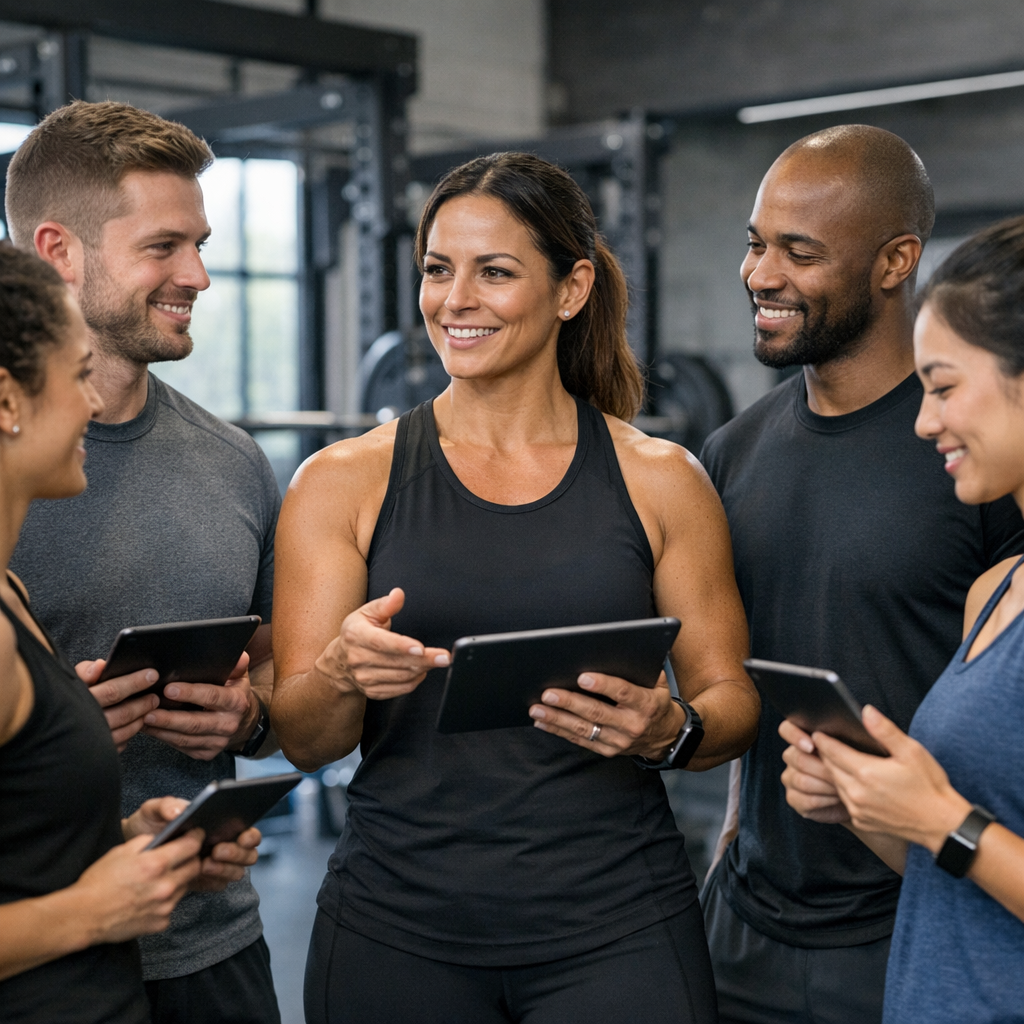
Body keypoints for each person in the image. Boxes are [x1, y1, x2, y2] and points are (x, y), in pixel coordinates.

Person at [271, 151, 759, 1024]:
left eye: (494, 272)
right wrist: (340, 675)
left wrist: (670, 728)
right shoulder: (340, 482)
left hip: (618, 925)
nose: (455, 300)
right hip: (399, 928)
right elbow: (304, 740)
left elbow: (731, 702)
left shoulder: (661, 479)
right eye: (436, 269)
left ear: (571, 289)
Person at [698, 125, 1024, 1024]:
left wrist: (934, 830)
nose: (760, 273)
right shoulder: (731, 452)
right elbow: (758, 661)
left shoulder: (980, 466)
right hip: (745, 919)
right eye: (756, 243)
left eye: (799, 251)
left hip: (914, 919)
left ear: (896, 261)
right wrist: (734, 831)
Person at [6, 102, 282, 1024]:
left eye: (200, 244)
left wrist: (249, 717)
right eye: (165, 246)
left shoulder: (235, 463)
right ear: (59, 250)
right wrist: (69, 732)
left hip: (209, 941)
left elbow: (276, 672)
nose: (199, 275)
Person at [780, 215, 1024, 1023]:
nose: (924, 422)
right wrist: (869, 802)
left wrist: (942, 819)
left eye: (946, 386)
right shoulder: (995, 590)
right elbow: (945, 867)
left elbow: (958, 835)